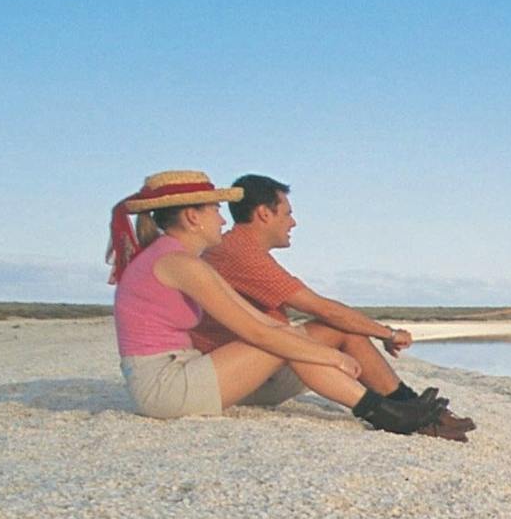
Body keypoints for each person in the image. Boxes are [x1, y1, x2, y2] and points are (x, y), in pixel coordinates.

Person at [106, 170, 446, 436]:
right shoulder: (180, 264)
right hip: (165, 386)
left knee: (286, 336)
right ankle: (385, 413)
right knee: (279, 341)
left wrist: (317, 348)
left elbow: (258, 319)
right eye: (215, 210)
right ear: (193, 217)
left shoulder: (181, 259)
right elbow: (259, 333)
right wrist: (328, 355)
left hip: (181, 372)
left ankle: (397, 409)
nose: (223, 220)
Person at [195, 175, 474, 438]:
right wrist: (387, 334)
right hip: (242, 376)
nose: (293, 223)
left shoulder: (237, 250)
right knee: (340, 327)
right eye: (287, 213)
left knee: (340, 327)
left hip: (250, 364)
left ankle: (412, 408)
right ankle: (411, 413)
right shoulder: (240, 253)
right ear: (264, 213)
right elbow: (322, 309)